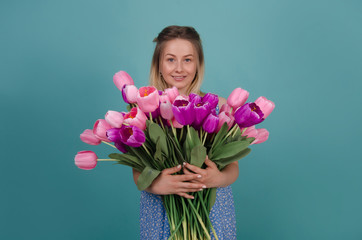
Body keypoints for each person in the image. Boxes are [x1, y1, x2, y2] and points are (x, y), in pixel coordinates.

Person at [132, 25, 238, 239]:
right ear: (158, 64)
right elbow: (137, 169)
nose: (179, 68)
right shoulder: (145, 113)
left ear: (198, 64)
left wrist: (218, 178)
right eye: (171, 59)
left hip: (211, 212)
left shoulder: (220, 108)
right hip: (162, 212)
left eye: (188, 60)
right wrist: (155, 184)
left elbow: (233, 168)